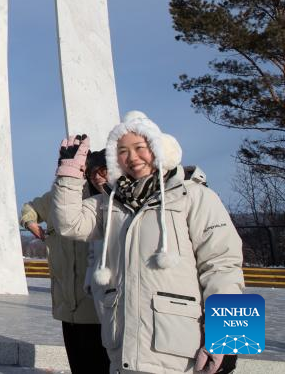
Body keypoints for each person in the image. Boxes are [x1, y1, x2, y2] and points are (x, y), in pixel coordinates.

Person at [51, 112, 244, 374]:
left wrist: (230, 340)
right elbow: (68, 224)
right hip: (124, 347)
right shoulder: (109, 203)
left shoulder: (195, 196)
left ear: (157, 147)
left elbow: (223, 265)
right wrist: (69, 173)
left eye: (139, 147)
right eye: (122, 151)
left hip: (181, 351)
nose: (132, 157)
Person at [21, 150, 110, 373]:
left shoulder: (106, 203)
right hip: (66, 304)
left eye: (102, 171)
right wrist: (30, 222)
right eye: (93, 172)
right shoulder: (56, 197)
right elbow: (30, 208)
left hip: (97, 307)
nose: (97, 177)